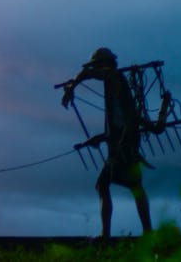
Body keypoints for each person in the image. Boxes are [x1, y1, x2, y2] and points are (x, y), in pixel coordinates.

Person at [60, 47, 153, 239]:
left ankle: (131, 233)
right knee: (107, 185)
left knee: (126, 186)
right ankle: (119, 233)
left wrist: (72, 86)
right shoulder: (114, 84)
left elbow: (90, 73)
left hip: (124, 144)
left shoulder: (113, 78)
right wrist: (100, 138)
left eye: (97, 65)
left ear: (105, 65)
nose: (95, 69)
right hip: (120, 141)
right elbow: (117, 121)